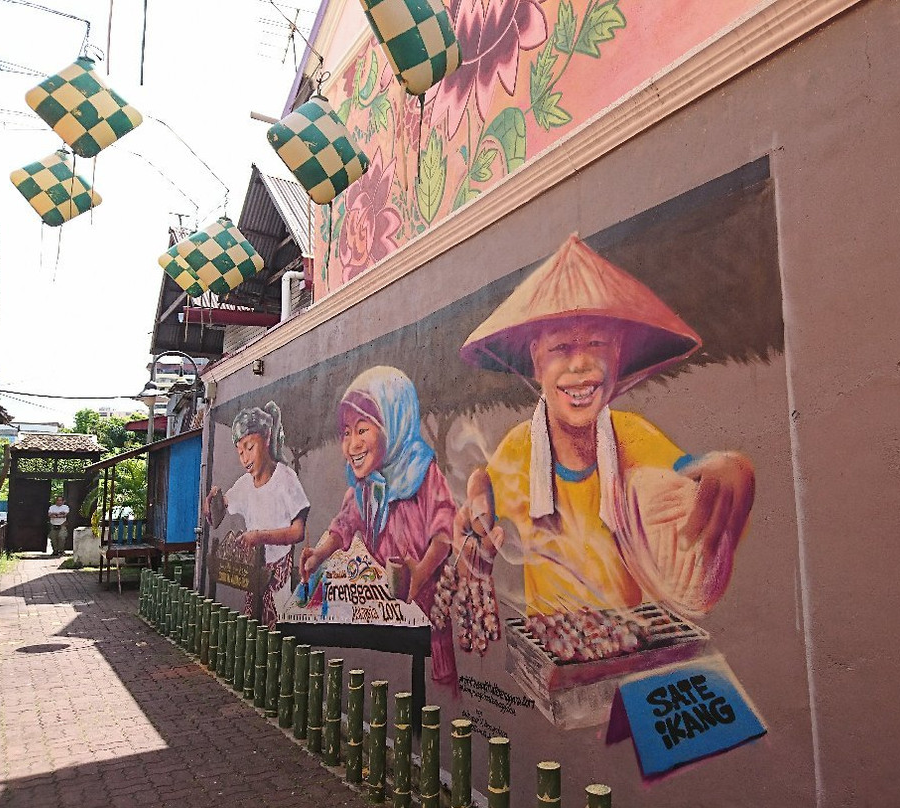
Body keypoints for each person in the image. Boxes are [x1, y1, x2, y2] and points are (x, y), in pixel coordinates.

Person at [456, 234, 756, 620]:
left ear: (617, 356)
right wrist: (477, 493)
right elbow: (484, 498)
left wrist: (731, 471)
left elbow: (689, 480)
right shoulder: (519, 449)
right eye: (561, 348)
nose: (580, 365)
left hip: (626, 642)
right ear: (535, 361)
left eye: (597, 344)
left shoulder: (632, 436)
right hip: (550, 652)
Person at [299, 366, 458, 689]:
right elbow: (343, 525)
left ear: (392, 423)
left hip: (427, 610)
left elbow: (445, 534)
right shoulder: (364, 488)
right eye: (346, 432)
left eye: (362, 430)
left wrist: (421, 572)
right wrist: (317, 554)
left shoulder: (423, 474)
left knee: (430, 688)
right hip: (385, 611)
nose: (352, 444)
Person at [204, 402, 310, 628]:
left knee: (276, 632)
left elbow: (297, 531)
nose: (245, 458)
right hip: (253, 572)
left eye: (249, 447)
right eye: (240, 452)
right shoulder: (244, 485)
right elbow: (218, 515)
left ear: (267, 438)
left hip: (279, 574)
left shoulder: (286, 479)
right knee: (254, 632)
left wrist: (260, 537)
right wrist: (212, 503)